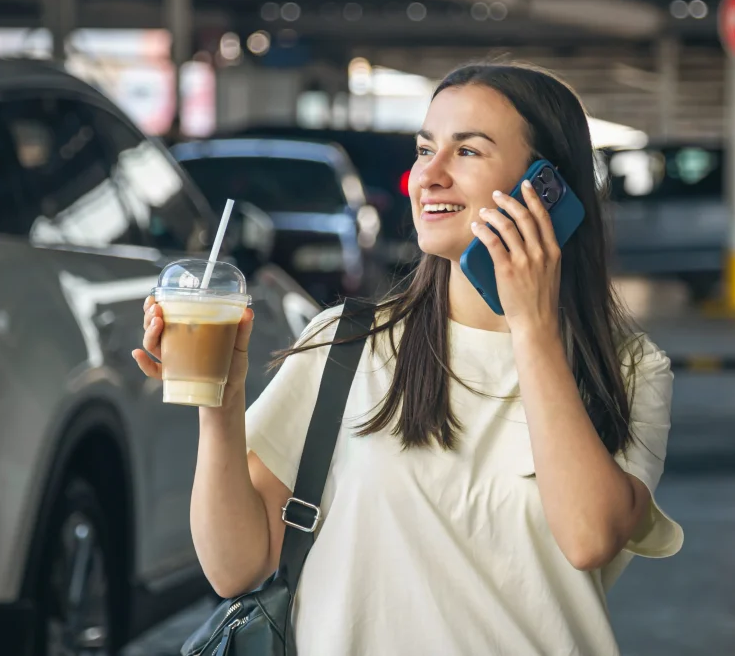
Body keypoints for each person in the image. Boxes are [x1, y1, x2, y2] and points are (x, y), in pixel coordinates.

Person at [132, 63, 683, 655]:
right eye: (424, 149)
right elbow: (233, 568)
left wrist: (532, 326)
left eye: (467, 151)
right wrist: (220, 404)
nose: (429, 175)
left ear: (546, 189)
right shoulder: (347, 345)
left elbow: (588, 537)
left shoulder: (629, 370)